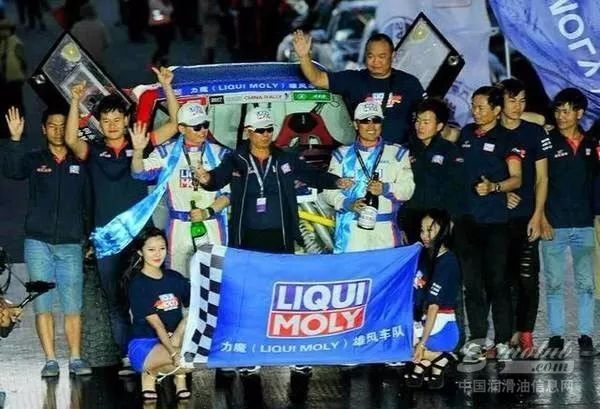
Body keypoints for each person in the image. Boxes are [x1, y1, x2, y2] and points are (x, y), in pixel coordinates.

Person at [195, 106, 352, 376]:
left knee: (284, 295)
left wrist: (336, 181)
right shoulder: (236, 160)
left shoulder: (285, 158)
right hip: (247, 237)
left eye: (269, 129)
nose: (266, 134)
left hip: (280, 236)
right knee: (250, 295)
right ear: (248, 132)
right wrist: (206, 178)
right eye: (260, 130)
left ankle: (292, 352)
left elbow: (312, 174)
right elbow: (216, 179)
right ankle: (249, 353)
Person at [65, 67, 178, 375]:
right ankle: (129, 357)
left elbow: (174, 125)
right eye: (106, 120)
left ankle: (157, 353)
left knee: (147, 298)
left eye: (117, 119)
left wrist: (167, 87)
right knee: (116, 303)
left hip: (140, 238)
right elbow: (71, 138)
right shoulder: (93, 151)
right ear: (99, 123)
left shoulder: (139, 142)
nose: (112, 125)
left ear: (127, 119)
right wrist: (74, 101)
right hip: (107, 241)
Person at [3, 106, 92, 376]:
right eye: (52, 125)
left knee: (72, 305)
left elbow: (89, 202)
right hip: (38, 243)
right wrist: (15, 139)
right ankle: (50, 360)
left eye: (63, 126)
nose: (58, 131)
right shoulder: (35, 159)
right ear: (43, 129)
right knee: (42, 304)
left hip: (71, 243)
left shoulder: (81, 161)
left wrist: (88, 238)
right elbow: (13, 171)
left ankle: (75, 358)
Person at [454, 86, 522, 363]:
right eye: (473, 106)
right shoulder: (466, 134)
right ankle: (477, 339)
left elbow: (516, 178)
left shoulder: (507, 139)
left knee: (497, 282)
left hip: (495, 222)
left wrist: (495, 187)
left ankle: (503, 339)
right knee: (472, 284)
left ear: (496, 110)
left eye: (481, 107)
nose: (475, 111)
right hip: (465, 220)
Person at [131, 101, 230, 276]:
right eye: (196, 127)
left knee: (214, 278)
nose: (203, 130)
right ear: (182, 128)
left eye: (205, 125)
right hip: (179, 226)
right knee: (178, 278)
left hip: (211, 224)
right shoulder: (166, 152)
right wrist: (138, 151)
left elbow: (229, 194)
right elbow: (138, 173)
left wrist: (207, 212)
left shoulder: (220, 154)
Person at [540, 88, 599, 357]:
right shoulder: (547, 143)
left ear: (580, 113)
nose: (561, 116)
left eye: (566, 111)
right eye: (557, 111)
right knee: (554, 284)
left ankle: (586, 336)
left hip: (584, 223)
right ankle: (556, 336)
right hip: (553, 223)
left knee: (586, 284)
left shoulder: (591, 144)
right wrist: (541, 217)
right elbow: (539, 182)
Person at [292, 31, 424, 144]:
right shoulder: (353, 80)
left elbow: (426, 118)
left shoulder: (409, 83)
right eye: (370, 56)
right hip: (363, 155)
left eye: (381, 57)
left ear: (392, 55)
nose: (376, 62)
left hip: (401, 156)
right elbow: (317, 79)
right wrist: (304, 56)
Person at [498, 78, 549, 356]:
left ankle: (526, 332)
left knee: (528, 278)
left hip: (527, 216)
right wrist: (500, 195)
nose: (518, 106)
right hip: (495, 219)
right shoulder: (489, 131)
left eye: (522, 101)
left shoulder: (533, 132)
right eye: (512, 100)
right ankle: (507, 334)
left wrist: (538, 215)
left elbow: (542, 178)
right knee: (503, 280)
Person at [322, 101, 415, 253]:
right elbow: (328, 191)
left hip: (385, 231)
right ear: (356, 124)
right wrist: (348, 203)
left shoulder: (397, 153)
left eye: (376, 120)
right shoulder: (341, 155)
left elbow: (408, 190)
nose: (371, 126)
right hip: (352, 231)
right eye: (365, 121)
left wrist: (385, 188)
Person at [124, 227, 191, 401]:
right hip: (146, 344)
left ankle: (176, 377)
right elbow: (158, 325)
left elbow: (195, 304)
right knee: (188, 361)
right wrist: (174, 353)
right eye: (151, 249)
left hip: (174, 339)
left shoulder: (175, 278)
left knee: (189, 330)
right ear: (140, 252)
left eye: (162, 248)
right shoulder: (138, 284)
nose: (158, 254)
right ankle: (151, 373)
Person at [406, 209, 460, 389]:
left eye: (430, 230)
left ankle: (437, 357)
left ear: (444, 230)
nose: (425, 235)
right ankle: (430, 366)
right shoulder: (427, 256)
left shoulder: (447, 262)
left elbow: (433, 306)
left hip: (440, 327)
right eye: (422, 230)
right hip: (427, 321)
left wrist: (422, 343)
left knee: (396, 336)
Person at [403, 98, 464, 244]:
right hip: (411, 217)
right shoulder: (404, 150)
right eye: (418, 121)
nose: (420, 126)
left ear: (439, 126)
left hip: (438, 219)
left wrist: (451, 219)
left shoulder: (450, 151)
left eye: (426, 122)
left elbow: (457, 188)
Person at [148, 0, 174, 66]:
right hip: (158, 26)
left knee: (166, 46)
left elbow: (170, 10)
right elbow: (157, 16)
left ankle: (163, 62)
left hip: (167, 25)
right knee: (162, 46)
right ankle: (154, 61)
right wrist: (167, 16)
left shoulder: (166, 1)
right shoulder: (153, 2)